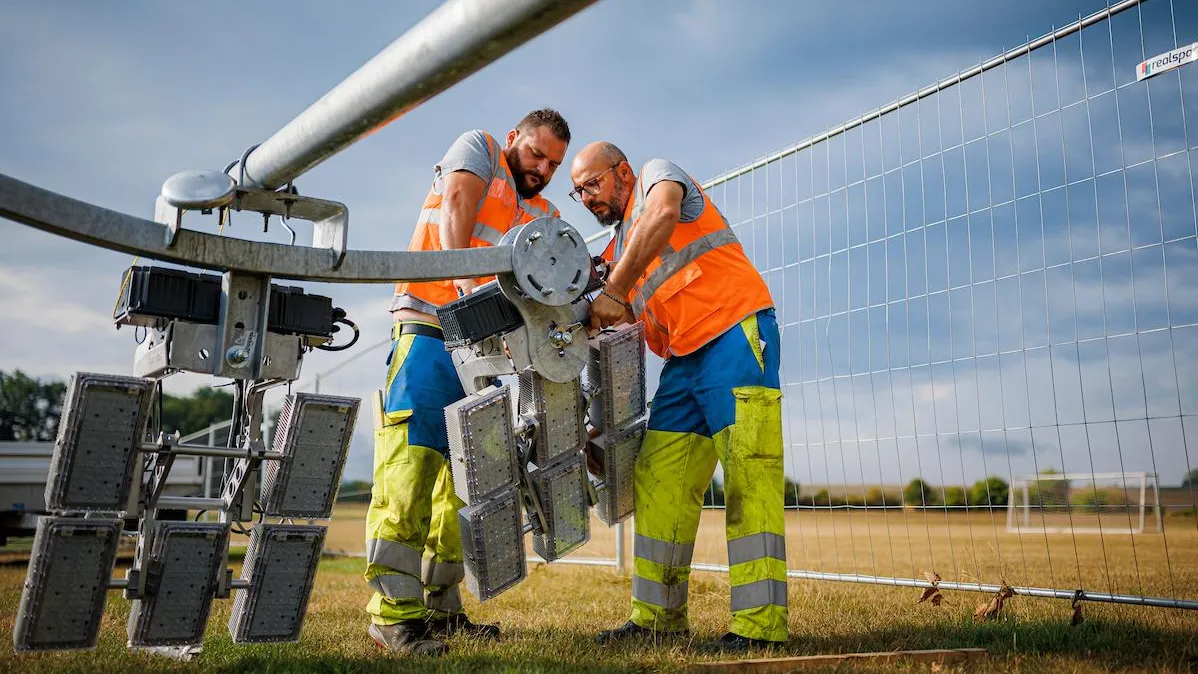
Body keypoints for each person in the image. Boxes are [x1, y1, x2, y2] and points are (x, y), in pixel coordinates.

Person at [366, 109, 571, 656]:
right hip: (431, 327)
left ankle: (441, 608)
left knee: (463, 481)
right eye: (536, 154)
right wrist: (464, 282)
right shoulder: (479, 147)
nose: (543, 168)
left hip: (482, 350)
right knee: (411, 467)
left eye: (554, 163)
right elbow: (457, 202)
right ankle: (392, 614)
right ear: (513, 139)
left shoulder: (543, 211)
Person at [571, 141, 788, 652]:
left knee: (748, 476)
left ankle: (759, 630)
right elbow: (616, 328)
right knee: (658, 478)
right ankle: (655, 620)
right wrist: (599, 422)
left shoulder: (657, 176)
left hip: (736, 334)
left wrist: (616, 288)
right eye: (577, 190)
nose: (585, 197)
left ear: (622, 172)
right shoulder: (619, 248)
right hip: (684, 362)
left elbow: (665, 213)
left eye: (592, 183)